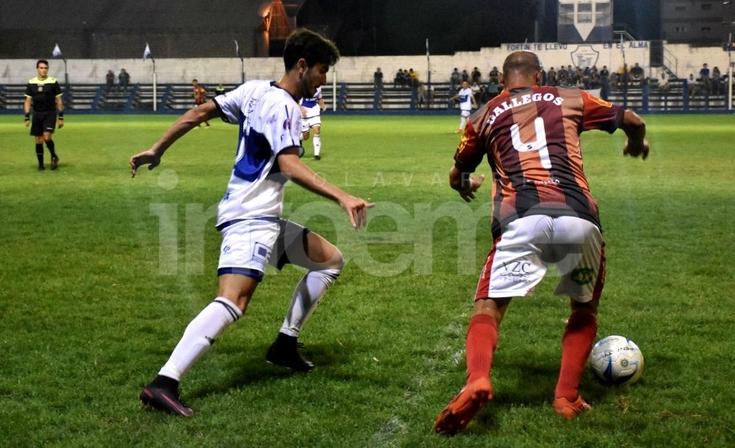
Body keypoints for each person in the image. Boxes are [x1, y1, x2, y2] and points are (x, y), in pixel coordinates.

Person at [131, 28, 374, 417]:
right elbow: (289, 165)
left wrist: (158, 148)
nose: (324, 79)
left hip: (262, 216)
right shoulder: (285, 107)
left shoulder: (253, 90)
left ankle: (284, 344)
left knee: (330, 260)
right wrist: (342, 196)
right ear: (302, 65)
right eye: (322, 71)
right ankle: (165, 381)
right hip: (250, 218)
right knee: (233, 300)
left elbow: (199, 113)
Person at [433, 51, 649, 435]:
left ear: (502, 80)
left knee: (488, 307)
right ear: (540, 75)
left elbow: (457, 173)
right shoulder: (570, 97)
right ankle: (566, 397)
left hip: (521, 219)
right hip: (579, 218)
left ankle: (478, 379)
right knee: (583, 309)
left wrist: (467, 184)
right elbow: (632, 119)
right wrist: (636, 143)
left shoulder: (484, 115)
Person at [24, 59, 64, 170]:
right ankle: (41, 165)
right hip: (37, 114)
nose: (43, 70)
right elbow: (27, 101)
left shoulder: (53, 82)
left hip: (50, 113)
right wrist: (27, 116)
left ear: (48, 69)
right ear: (37, 69)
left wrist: (61, 117)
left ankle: (53, 156)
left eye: (45, 68)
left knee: (46, 137)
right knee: (38, 140)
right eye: (41, 68)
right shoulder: (31, 82)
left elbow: (59, 100)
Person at [300, 85, 326, 159]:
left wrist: (322, 105)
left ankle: (316, 154)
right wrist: (301, 109)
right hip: (304, 114)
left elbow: (319, 98)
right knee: (305, 136)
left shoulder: (318, 88)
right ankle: (299, 139)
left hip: (314, 112)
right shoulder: (302, 87)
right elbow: (296, 100)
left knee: (317, 130)